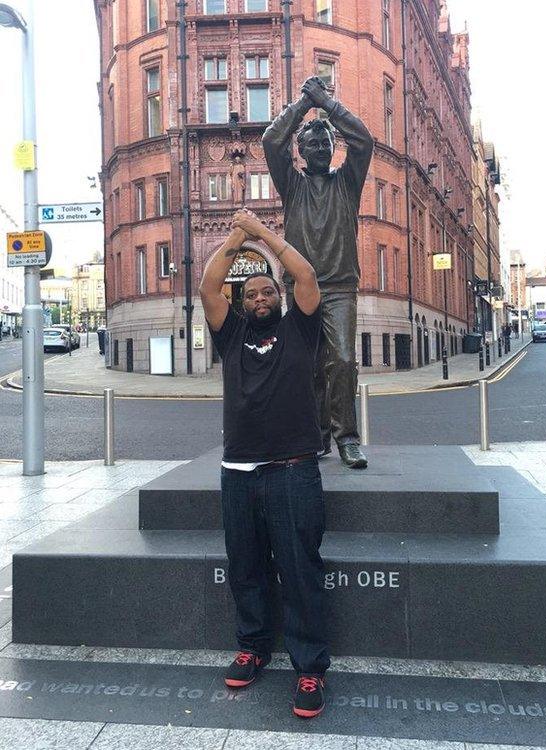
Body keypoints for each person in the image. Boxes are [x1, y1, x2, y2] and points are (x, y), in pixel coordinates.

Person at [199, 208, 330, 719]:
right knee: (246, 568)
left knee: (299, 572)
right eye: (251, 294)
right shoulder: (230, 335)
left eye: (267, 292)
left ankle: (310, 669)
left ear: (279, 298)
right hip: (238, 473)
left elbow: (307, 275)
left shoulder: (300, 327)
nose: (259, 298)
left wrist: (262, 235)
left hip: (294, 469)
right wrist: (237, 236)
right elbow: (210, 286)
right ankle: (253, 647)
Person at [263, 76, 374, 469]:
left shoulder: (348, 182)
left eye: (326, 143)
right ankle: (317, 436)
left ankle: (347, 437)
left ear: (332, 148)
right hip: (303, 288)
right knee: (308, 366)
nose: (320, 148)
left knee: (342, 359)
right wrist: (302, 104)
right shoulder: (291, 184)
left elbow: (363, 140)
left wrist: (325, 103)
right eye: (311, 144)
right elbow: (270, 141)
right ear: (301, 152)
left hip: (341, 285)